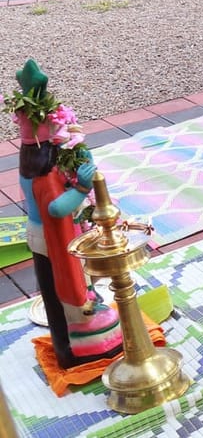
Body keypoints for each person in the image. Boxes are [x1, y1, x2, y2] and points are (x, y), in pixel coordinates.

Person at [9, 60, 122, 370]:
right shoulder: (43, 176)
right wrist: (82, 186)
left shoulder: (37, 163)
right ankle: (78, 346)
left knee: (68, 279)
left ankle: (78, 318)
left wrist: (81, 151)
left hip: (51, 233)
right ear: (47, 147)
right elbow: (57, 209)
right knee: (63, 286)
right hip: (50, 236)